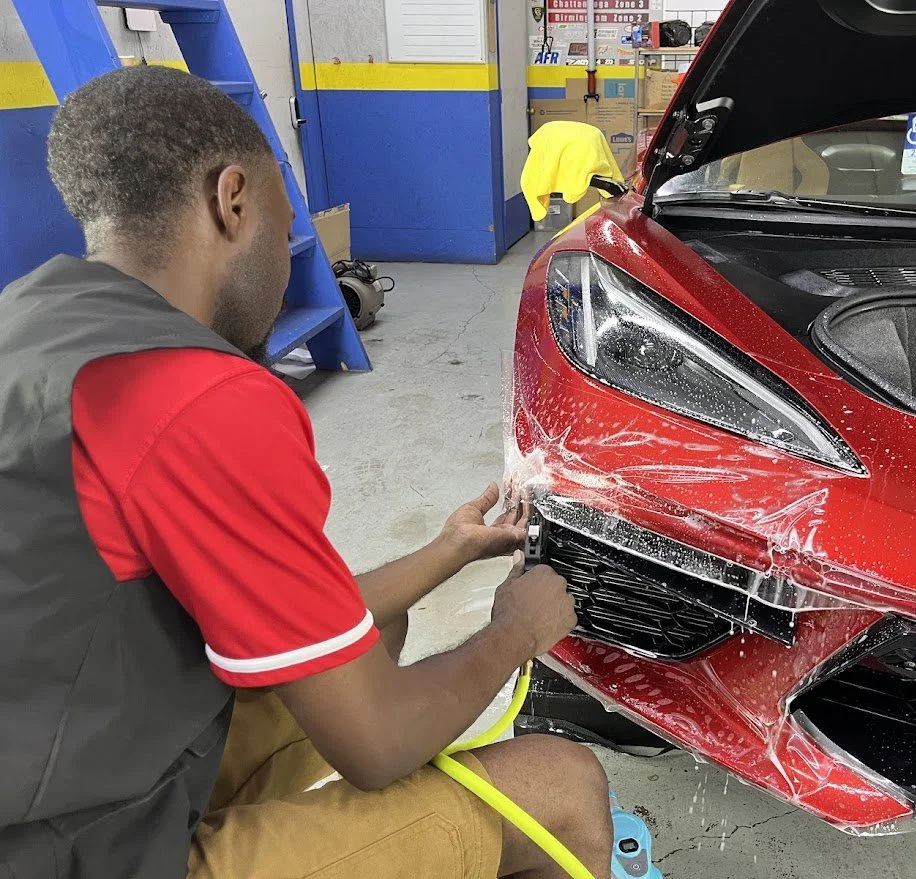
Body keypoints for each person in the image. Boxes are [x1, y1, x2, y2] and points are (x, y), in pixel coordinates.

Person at [0, 65, 612, 879]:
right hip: (77, 852)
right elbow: (377, 745)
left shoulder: (35, 320)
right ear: (233, 200)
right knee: (564, 784)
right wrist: (514, 631)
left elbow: (296, 617)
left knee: (375, 635)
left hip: (52, 762)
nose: (293, 262)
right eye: (289, 228)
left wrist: (449, 549)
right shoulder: (196, 398)